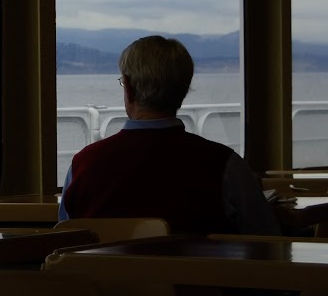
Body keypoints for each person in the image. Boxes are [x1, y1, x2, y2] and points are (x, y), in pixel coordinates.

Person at [58, 35, 279, 235]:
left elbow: (65, 238)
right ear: (183, 90)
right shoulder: (224, 165)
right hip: (196, 279)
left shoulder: (83, 165)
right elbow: (265, 239)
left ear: (129, 89)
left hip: (105, 280)